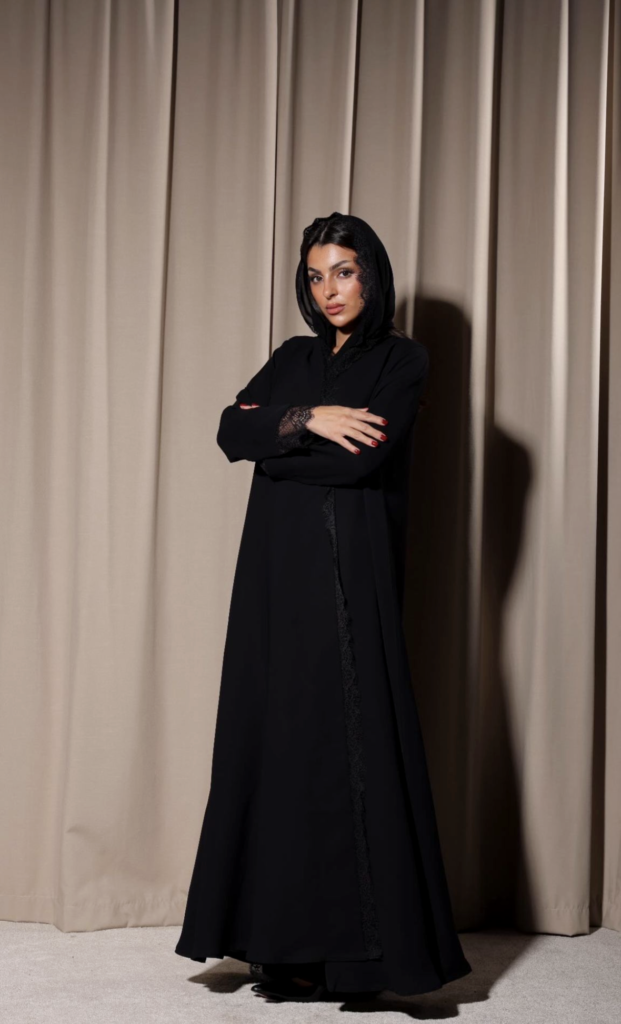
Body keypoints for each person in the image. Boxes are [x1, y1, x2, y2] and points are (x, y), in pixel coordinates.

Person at [174, 212, 472, 1003]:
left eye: (343, 271)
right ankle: (284, 947)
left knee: (348, 745)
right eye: (315, 275)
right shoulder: (292, 358)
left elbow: (357, 465)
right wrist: (306, 419)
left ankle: (363, 959)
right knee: (278, 743)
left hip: (347, 574)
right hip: (273, 575)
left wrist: (272, 446)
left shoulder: (402, 359)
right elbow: (226, 431)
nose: (328, 289)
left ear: (371, 274)